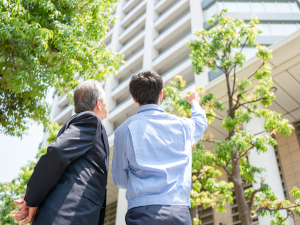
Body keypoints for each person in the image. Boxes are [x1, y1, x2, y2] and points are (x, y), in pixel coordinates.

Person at [112, 71, 208, 225]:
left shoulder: (123, 130)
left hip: (141, 212)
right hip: (178, 211)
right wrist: (194, 102)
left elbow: (120, 180)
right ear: (161, 94)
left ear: (134, 99)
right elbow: (200, 123)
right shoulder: (182, 125)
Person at [12, 80, 110, 225]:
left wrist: (33, 200)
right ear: (98, 103)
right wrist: (31, 199)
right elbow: (57, 154)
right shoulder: (90, 120)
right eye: (106, 100)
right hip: (69, 216)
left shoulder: (78, 124)